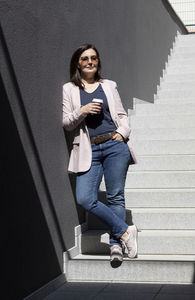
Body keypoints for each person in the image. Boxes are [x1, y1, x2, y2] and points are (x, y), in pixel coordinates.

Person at [63, 44, 137, 262]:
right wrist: (82, 110)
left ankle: (116, 245)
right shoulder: (69, 89)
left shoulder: (108, 85)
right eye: (84, 58)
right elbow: (67, 123)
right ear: (77, 63)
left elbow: (122, 115)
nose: (89, 61)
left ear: (98, 61)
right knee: (85, 198)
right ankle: (125, 231)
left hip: (114, 145)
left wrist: (122, 133)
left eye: (93, 58)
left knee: (115, 196)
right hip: (89, 149)